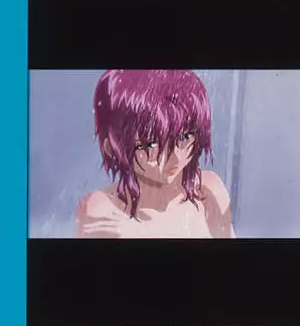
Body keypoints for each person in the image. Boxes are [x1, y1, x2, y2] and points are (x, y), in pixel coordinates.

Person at [76, 69, 233, 239]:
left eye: (184, 137)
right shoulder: (102, 207)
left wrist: (147, 232)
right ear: (112, 148)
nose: (175, 156)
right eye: (151, 144)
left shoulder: (208, 190)